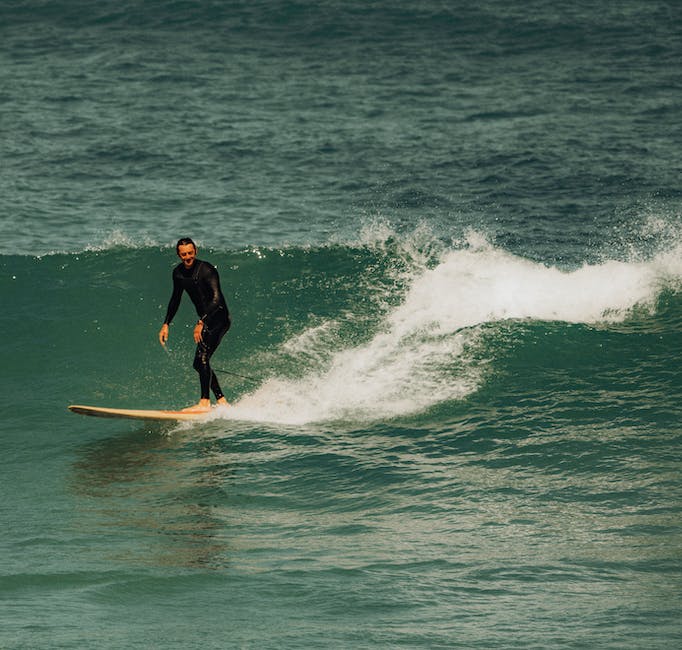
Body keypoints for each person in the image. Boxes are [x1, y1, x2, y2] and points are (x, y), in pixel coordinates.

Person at [159, 238, 231, 412]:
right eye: (183, 254)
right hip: (207, 321)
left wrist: (201, 321)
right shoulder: (178, 273)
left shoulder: (206, 270)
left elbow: (217, 299)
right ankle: (222, 402)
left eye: (190, 253)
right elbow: (175, 299)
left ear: (195, 251)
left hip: (219, 319)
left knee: (202, 359)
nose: (187, 257)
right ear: (179, 255)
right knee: (199, 363)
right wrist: (166, 323)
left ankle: (205, 403)